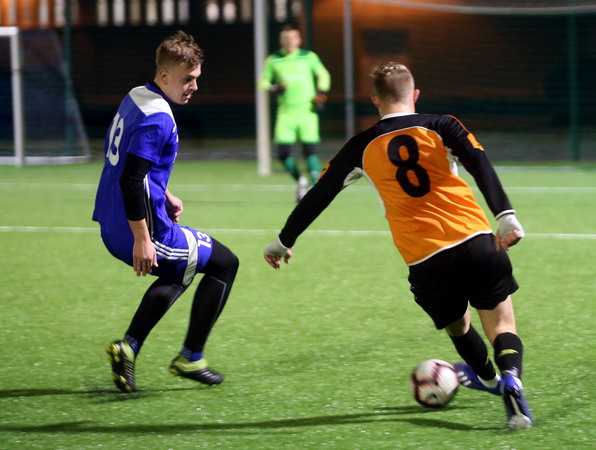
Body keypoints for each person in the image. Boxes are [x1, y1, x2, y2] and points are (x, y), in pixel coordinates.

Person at [263, 62, 533, 429]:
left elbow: (318, 196)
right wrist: (505, 215)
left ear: (375, 99)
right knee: (501, 324)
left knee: (458, 327)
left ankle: (488, 379)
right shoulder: (442, 125)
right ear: (415, 94)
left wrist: (283, 241)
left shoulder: (360, 146)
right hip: (475, 240)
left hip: (425, 259)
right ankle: (511, 379)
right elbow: (479, 162)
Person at [92, 30, 239, 393]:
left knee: (183, 269)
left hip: (111, 221)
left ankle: (129, 348)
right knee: (224, 264)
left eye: (196, 78)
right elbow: (131, 180)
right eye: (187, 79)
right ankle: (191, 357)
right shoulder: (159, 118)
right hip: (140, 229)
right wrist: (143, 239)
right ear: (164, 75)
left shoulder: (136, 96)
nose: (194, 86)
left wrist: (166, 193)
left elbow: (133, 164)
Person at [258, 23, 331, 202]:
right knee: (282, 154)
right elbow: (262, 82)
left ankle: (315, 188)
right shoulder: (274, 60)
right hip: (286, 114)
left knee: (310, 152)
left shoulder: (309, 57)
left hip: (307, 112)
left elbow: (324, 75)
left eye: (293, 38)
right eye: (286, 38)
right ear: (281, 40)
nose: (289, 41)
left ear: (298, 40)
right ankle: (300, 181)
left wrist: (321, 91)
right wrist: (274, 87)